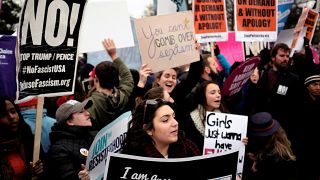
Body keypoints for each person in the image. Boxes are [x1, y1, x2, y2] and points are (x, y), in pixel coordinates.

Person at [253, 43, 303, 151]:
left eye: (287, 56)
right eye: (281, 56)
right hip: (265, 131)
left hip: (285, 133)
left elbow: (298, 108)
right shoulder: (263, 76)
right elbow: (257, 102)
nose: (285, 59)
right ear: (273, 57)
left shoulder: (294, 79)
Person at [180, 80, 247, 151]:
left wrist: (240, 141)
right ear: (202, 96)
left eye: (219, 92)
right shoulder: (189, 121)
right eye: (213, 93)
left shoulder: (226, 115)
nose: (218, 95)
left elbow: (231, 141)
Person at [121, 98, 201, 158]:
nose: (175, 123)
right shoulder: (132, 157)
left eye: (174, 117)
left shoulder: (189, 148)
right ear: (148, 129)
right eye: (165, 120)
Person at [87, 38, 134, 130]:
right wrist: (114, 55)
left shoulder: (90, 105)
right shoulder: (124, 94)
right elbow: (127, 76)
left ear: (96, 79)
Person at [45, 99, 96, 180]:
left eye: (86, 110)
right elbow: (66, 175)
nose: (88, 113)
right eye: (81, 112)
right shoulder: (59, 149)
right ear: (69, 121)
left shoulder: (93, 135)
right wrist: (79, 177)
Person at [242, 112, 297, 180]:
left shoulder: (277, 157)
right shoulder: (273, 140)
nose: (254, 137)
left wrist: (253, 171)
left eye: (256, 136)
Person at [0, 96, 43, 179]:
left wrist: (39, 169)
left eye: (13, 111)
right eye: (3, 114)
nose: (11, 117)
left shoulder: (29, 140)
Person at [297, 69, 320, 180]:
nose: (318, 87)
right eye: (314, 84)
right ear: (307, 86)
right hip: (305, 147)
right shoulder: (300, 104)